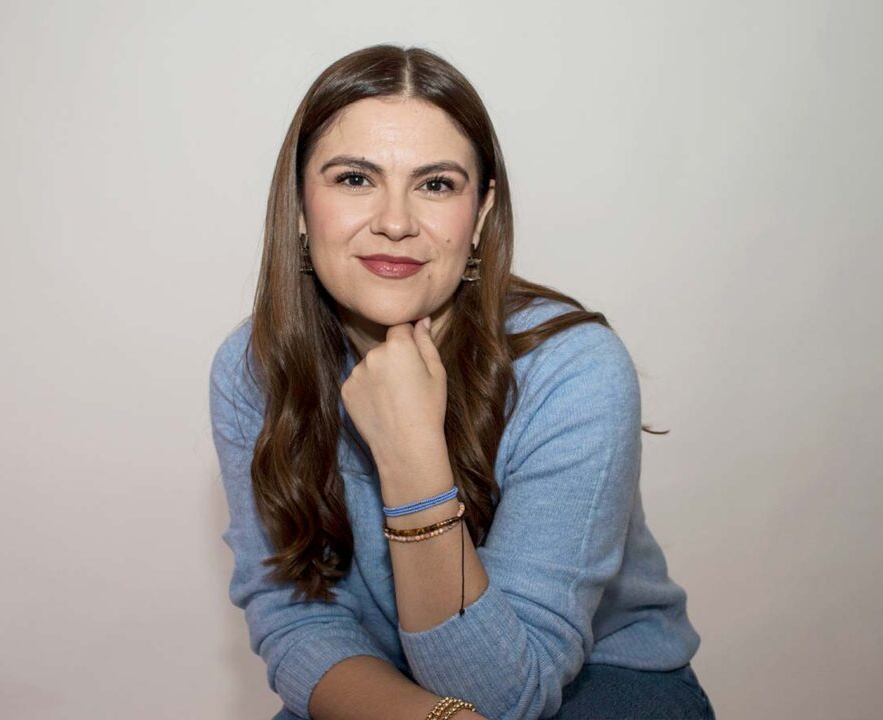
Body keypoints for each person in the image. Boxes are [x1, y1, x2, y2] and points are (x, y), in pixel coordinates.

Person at [209, 44, 716, 720]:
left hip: (598, 682)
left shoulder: (574, 370)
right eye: (355, 178)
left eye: (436, 185)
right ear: (300, 205)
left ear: (479, 214)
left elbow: (506, 696)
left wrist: (410, 456)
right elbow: (296, 618)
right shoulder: (252, 368)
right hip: (384, 681)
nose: (395, 221)